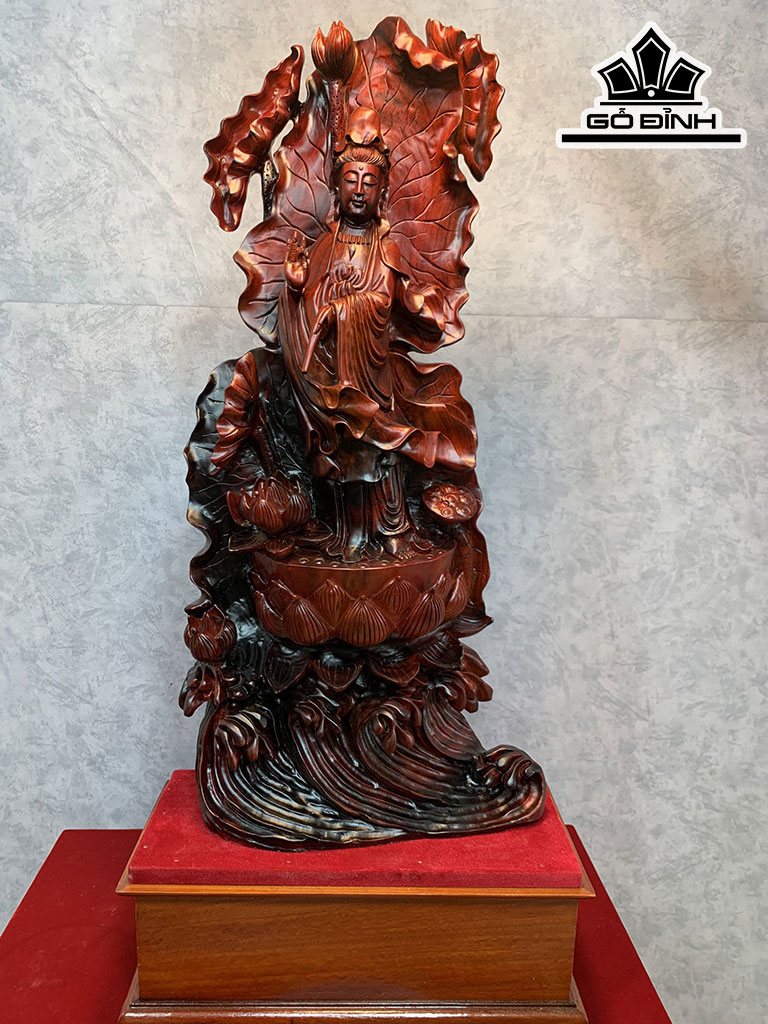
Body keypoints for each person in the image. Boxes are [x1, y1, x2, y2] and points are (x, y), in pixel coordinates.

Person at [278, 107, 474, 559]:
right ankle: (348, 532)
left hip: (367, 368)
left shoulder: (384, 247)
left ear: (382, 192)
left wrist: (344, 309)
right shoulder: (324, 246)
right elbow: (308, 312)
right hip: (330, 373)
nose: (359, 189)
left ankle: (392, 527)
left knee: (377, 449)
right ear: (336, 187)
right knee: (344, 453)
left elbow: (382, 301)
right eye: (351, 179)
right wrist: (295, 287)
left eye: (369, 182)